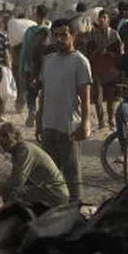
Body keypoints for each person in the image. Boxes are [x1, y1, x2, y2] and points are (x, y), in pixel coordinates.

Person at [35, 20, 93, 202]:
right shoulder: (48, 61)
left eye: (63, 35)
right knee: (48, 177)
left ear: (73, 36)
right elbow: (44, 93)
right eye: (56, 35)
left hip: (69, 128)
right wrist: (39, 121)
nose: (59, 39)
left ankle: (75, 214)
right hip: (49, 126)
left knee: (72, 177)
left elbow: (85, 98)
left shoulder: (80, 62)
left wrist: (85, 123)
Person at [0, 124, 70, 208]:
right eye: (0, 137)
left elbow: (17, 182)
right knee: (10, 192)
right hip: (49, 191)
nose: (2, 140)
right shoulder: (18, 151)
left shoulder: (24, 150)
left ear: (16, 136)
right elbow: (16, 180)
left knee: (13, 193)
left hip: (55, 193)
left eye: (6, 135)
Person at [83, 10, 122, 129]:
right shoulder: (92, 35)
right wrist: (97, 51)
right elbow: (88, 52)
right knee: (98, 98)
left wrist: (108, 52)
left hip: (111, 71)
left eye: (104, 18)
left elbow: (120, 53)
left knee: (111, 98)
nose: (101, 20)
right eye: (100, 18)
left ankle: (110, 120)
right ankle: (101, 121)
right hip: (96, 69)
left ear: (108, 20)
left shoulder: (114, 35)